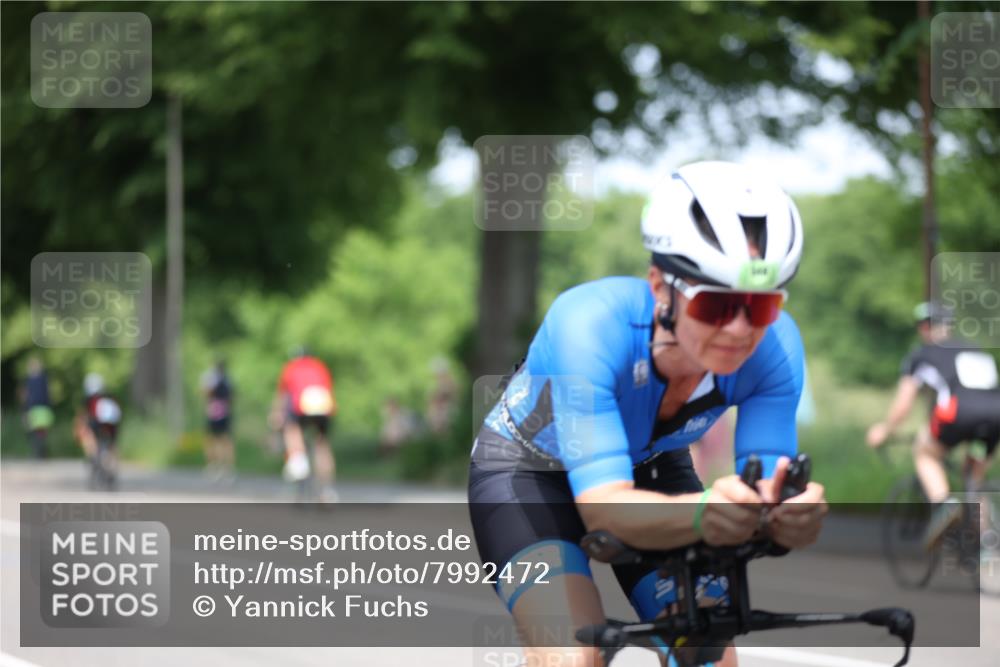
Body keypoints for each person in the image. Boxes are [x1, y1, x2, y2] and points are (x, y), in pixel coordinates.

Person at [468, 161, 827, 667]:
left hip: (652, 468)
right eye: (716, 306)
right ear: (660, 287)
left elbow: (770, 490)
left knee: (709, 654)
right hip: (529, 473)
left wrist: (789, 518)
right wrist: (705, 512)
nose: (740, 329)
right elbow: (604, 509)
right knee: (573, 652)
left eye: (762, 306)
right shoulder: (588, 325)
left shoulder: (777, 349)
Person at [867, 302, 1000, 550]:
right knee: (974, 478)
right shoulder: (974, 349)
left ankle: (944, 505)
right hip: (995, 416)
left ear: (925, 327)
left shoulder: (923, 353)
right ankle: (988, 542)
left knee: (925, 452)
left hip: (959, 413)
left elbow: (904, 403)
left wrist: (885, 430)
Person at [270, 347, 339, 502]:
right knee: (322, 445)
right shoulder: (320, 366)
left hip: (302, 403)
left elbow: (282, 395)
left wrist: (276, 414)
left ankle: (298, 459)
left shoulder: (291, 367)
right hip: (323, 404)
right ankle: (327, 490)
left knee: (292, 429)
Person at [74, 372, 123, 488]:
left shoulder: (89, 400)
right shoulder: (110, 397)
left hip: (97, 425)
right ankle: (112, 467)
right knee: (112, 446)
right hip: (112, 427)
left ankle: (93, 458)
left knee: (89, 439)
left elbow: (84, 417)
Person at [201, 359, 236, 481]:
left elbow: (206, 394)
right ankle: (217, 465)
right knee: (219, 440)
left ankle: (221, 466)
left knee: (217, 440)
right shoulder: (227, 379)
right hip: (222, 412)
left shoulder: (213, 379)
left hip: (215, 412)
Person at [20, 356, 54, 459]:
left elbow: (48, 393)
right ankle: (39, 452)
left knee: (39, 431)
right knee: (35, 431)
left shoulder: (42, 379)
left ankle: (40, 453)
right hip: (34, 408)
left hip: (40, 408)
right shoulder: (31, 380)